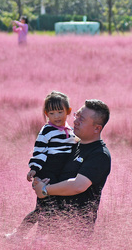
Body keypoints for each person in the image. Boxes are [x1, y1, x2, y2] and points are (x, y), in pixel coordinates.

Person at [33, 99, 111, 235]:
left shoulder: (100, 155)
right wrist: (38, 180)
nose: (75, 121)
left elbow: (78, 186)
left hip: (74, 233)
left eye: (82, 119)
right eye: (77, 116)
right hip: (49, 229)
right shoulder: (71, 145)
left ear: (97, 128)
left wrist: (45, 190)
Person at [7, 91, 77, 238]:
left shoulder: (70, 131)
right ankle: (28, 237)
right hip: (47, 172)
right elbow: (39, 151)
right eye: (52, 113)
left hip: (61, 174)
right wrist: (34, 169)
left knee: (50, 209)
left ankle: (35, 238)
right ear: (46, 114)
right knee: (43, 210)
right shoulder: (46, 131)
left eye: (60, 112)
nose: (56, 116)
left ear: (68, 111)